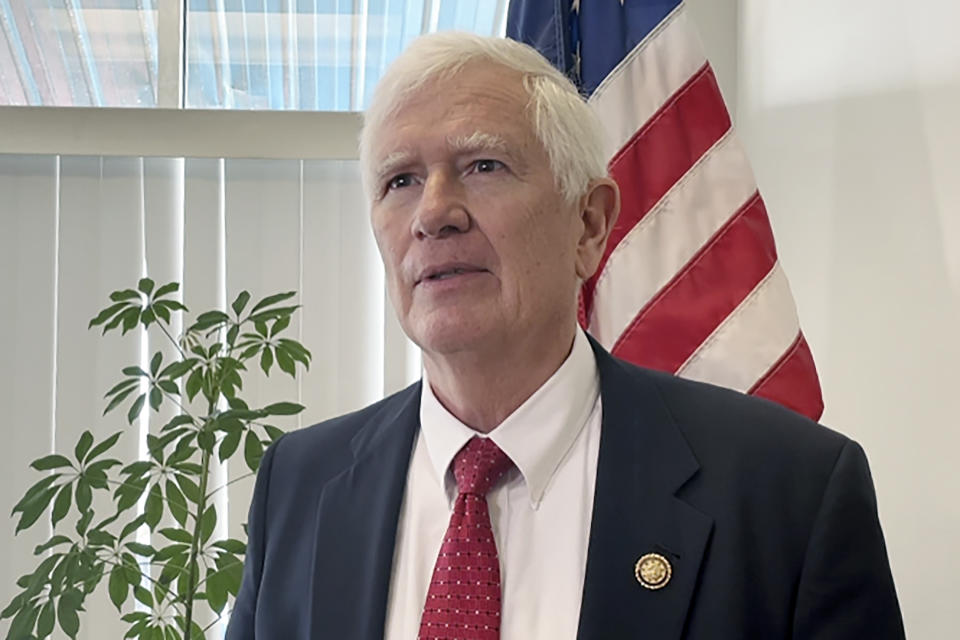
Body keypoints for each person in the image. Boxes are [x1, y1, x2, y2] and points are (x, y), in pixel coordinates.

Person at [226, 32, 904, 640]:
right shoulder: (300, 485)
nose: (433, 213)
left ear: (589, 225)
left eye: (483, 166)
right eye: (400, 180)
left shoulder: (788, 492)